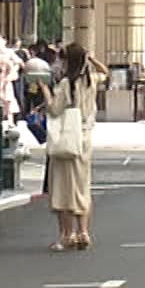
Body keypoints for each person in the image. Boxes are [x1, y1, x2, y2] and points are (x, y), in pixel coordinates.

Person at [46, 44, 101, 250]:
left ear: (68, 61)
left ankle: (66, 234)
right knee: (82, 185)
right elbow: (105, 72)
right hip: (85, 137)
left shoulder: (65, 84)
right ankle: (83, 231)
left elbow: (54, 109)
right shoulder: (91, 80)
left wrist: (44, 90)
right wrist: (91, 59)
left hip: (67, 137)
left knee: (62, 186)